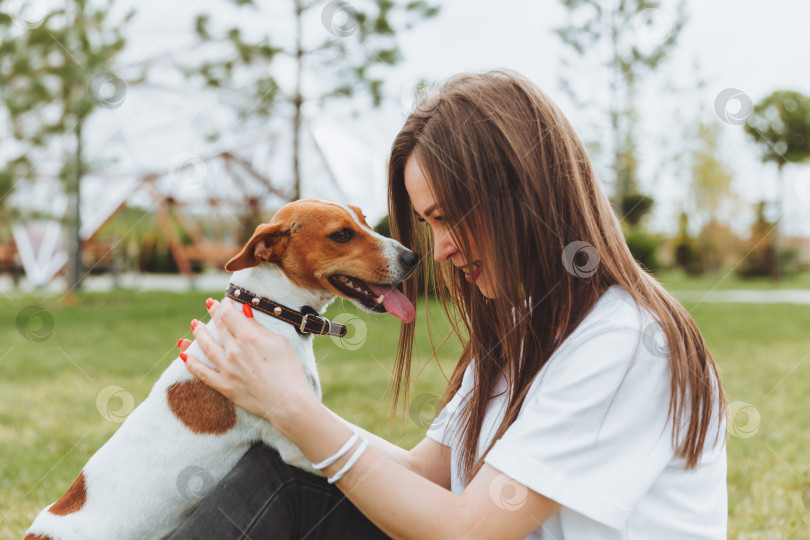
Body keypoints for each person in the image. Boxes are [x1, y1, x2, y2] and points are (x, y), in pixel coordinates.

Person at [171, 70, 727, 539]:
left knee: (282, 486)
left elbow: (469, 530)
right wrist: (271, 404)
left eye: (447, 216)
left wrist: (292, 405)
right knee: (275, 476)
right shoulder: (526, 326)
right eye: (428, 222)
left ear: (522, 193)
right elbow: (426, 474)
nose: (438, 249)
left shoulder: (622, 340)